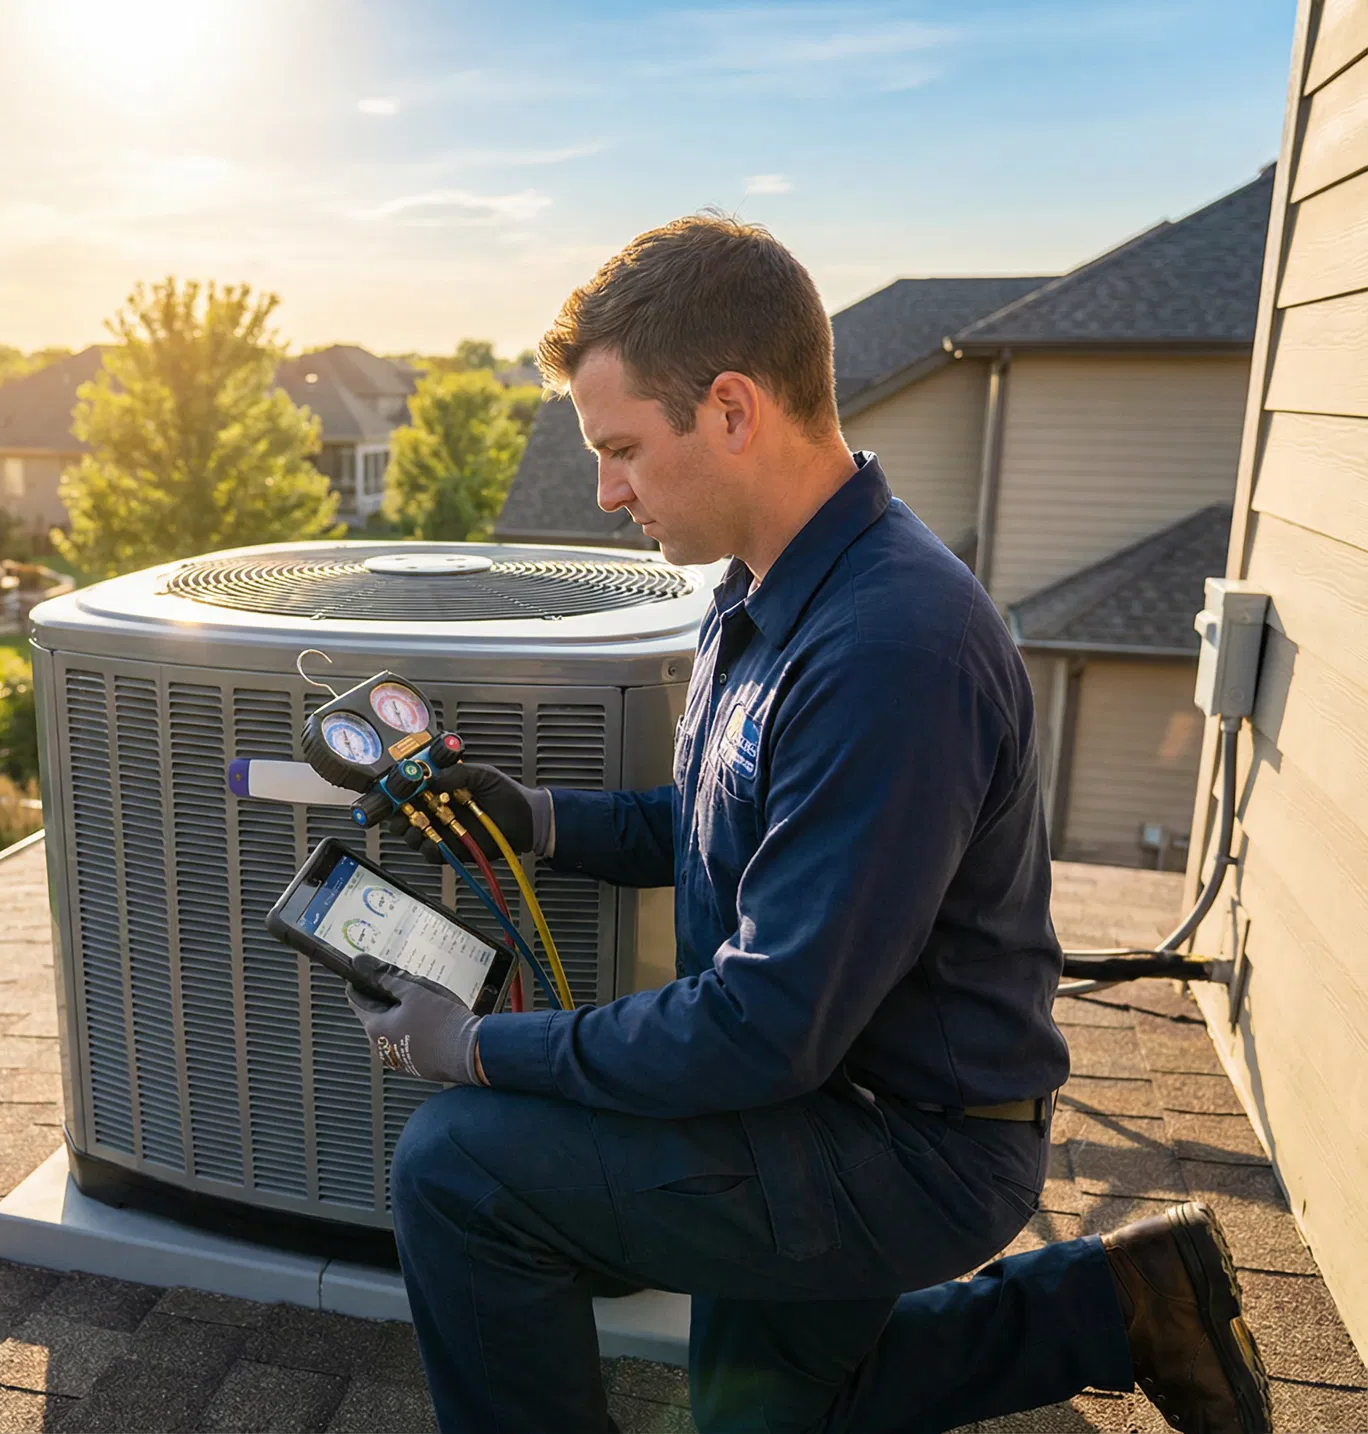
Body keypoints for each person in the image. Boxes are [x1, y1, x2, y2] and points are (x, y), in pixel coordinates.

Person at [344, 216, 1271, 1434]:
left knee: (459, 1166)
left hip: (906, 1142)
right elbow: (723, 822)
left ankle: (1107, 1304)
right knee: (758, 1412)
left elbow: (758, 1028)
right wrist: (539, 822)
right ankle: (1130, 1301)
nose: (607, 488)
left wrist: (470, 1051)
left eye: (620, 447)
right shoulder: (763, 593)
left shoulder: (889, 648)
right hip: (822, 1095)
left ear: (731, 408)